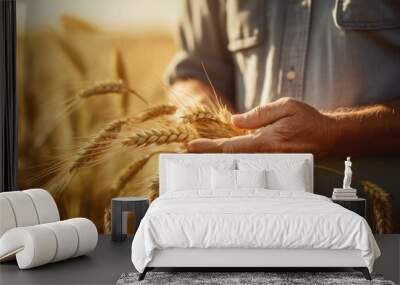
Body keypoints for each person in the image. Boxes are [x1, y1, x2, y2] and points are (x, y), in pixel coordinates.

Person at [164, 0, 400, 158]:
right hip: (250, 216)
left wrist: (334, 132)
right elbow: (191, 75)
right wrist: (216, 123)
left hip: (376, 220)